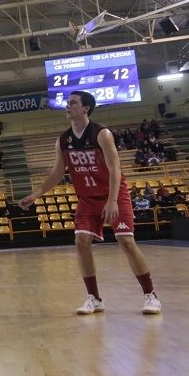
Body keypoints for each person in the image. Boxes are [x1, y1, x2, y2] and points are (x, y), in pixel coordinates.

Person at [19, 91, 161, 315]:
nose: (67, 106)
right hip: (87, 199)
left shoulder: (101, 134)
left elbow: (115, 168)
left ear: (86, 108)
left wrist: (113, 201)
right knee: (81, 241)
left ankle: (150, 295)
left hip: (113, 194)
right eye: (67, 103)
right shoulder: (63, 140)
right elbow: (57, 172)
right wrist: (36, 194)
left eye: (73, 103)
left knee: (126, 241)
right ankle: (94, 298)